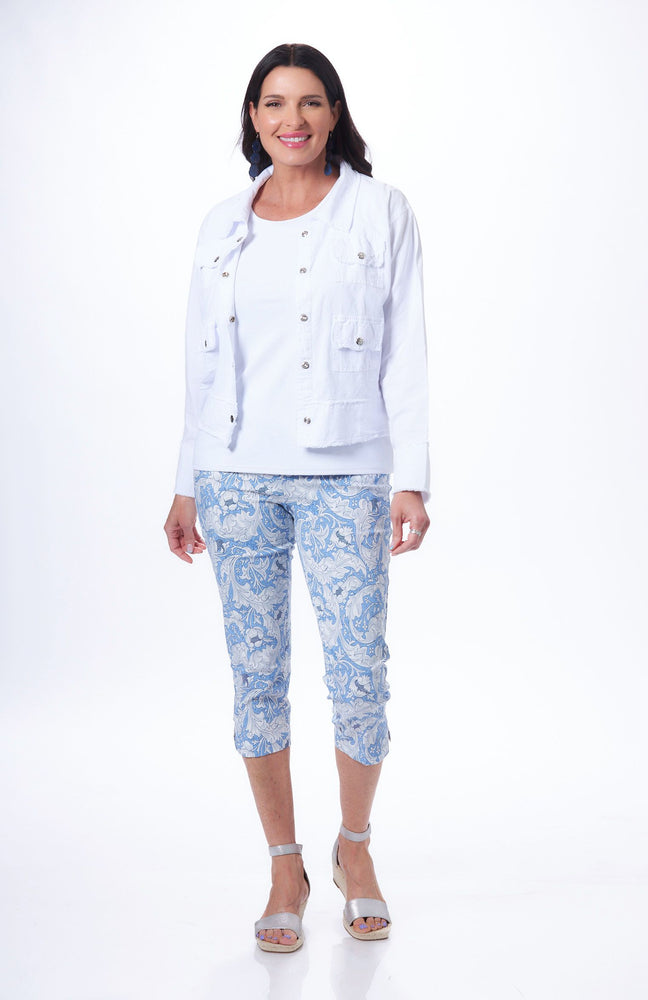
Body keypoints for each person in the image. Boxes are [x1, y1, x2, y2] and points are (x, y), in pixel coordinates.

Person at [164, 42, 430, 953]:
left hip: (347, 473)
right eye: (274, 103)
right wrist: (185, 480)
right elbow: (200, 361)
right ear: (253, 117)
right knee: (256, 676)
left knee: (358, 676)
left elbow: (406, 349)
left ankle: (354, 847)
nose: (292, 119)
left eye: (309, 102)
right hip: (233, 473)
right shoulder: (221, 224)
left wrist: (409, 477)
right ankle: (285, 865)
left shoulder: (380, 210)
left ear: (333, 113)